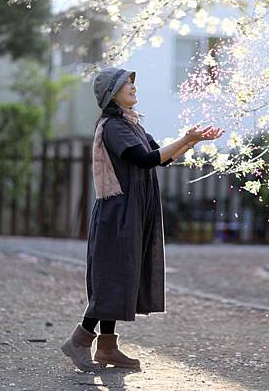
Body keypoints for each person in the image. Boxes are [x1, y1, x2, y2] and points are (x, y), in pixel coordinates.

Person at [61, 67, 224, 372]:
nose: (133, 87)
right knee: (111, 276)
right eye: (126, 84)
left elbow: (159, 156)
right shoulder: (113, 127)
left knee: (121, 275)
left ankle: (107, 348)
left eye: (133, 83)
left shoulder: (131, 124)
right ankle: (79, 341)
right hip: (118, 212)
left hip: (134, 208)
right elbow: (145, 159)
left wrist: (192, 141)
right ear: (112, 93)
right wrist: (186, 139)